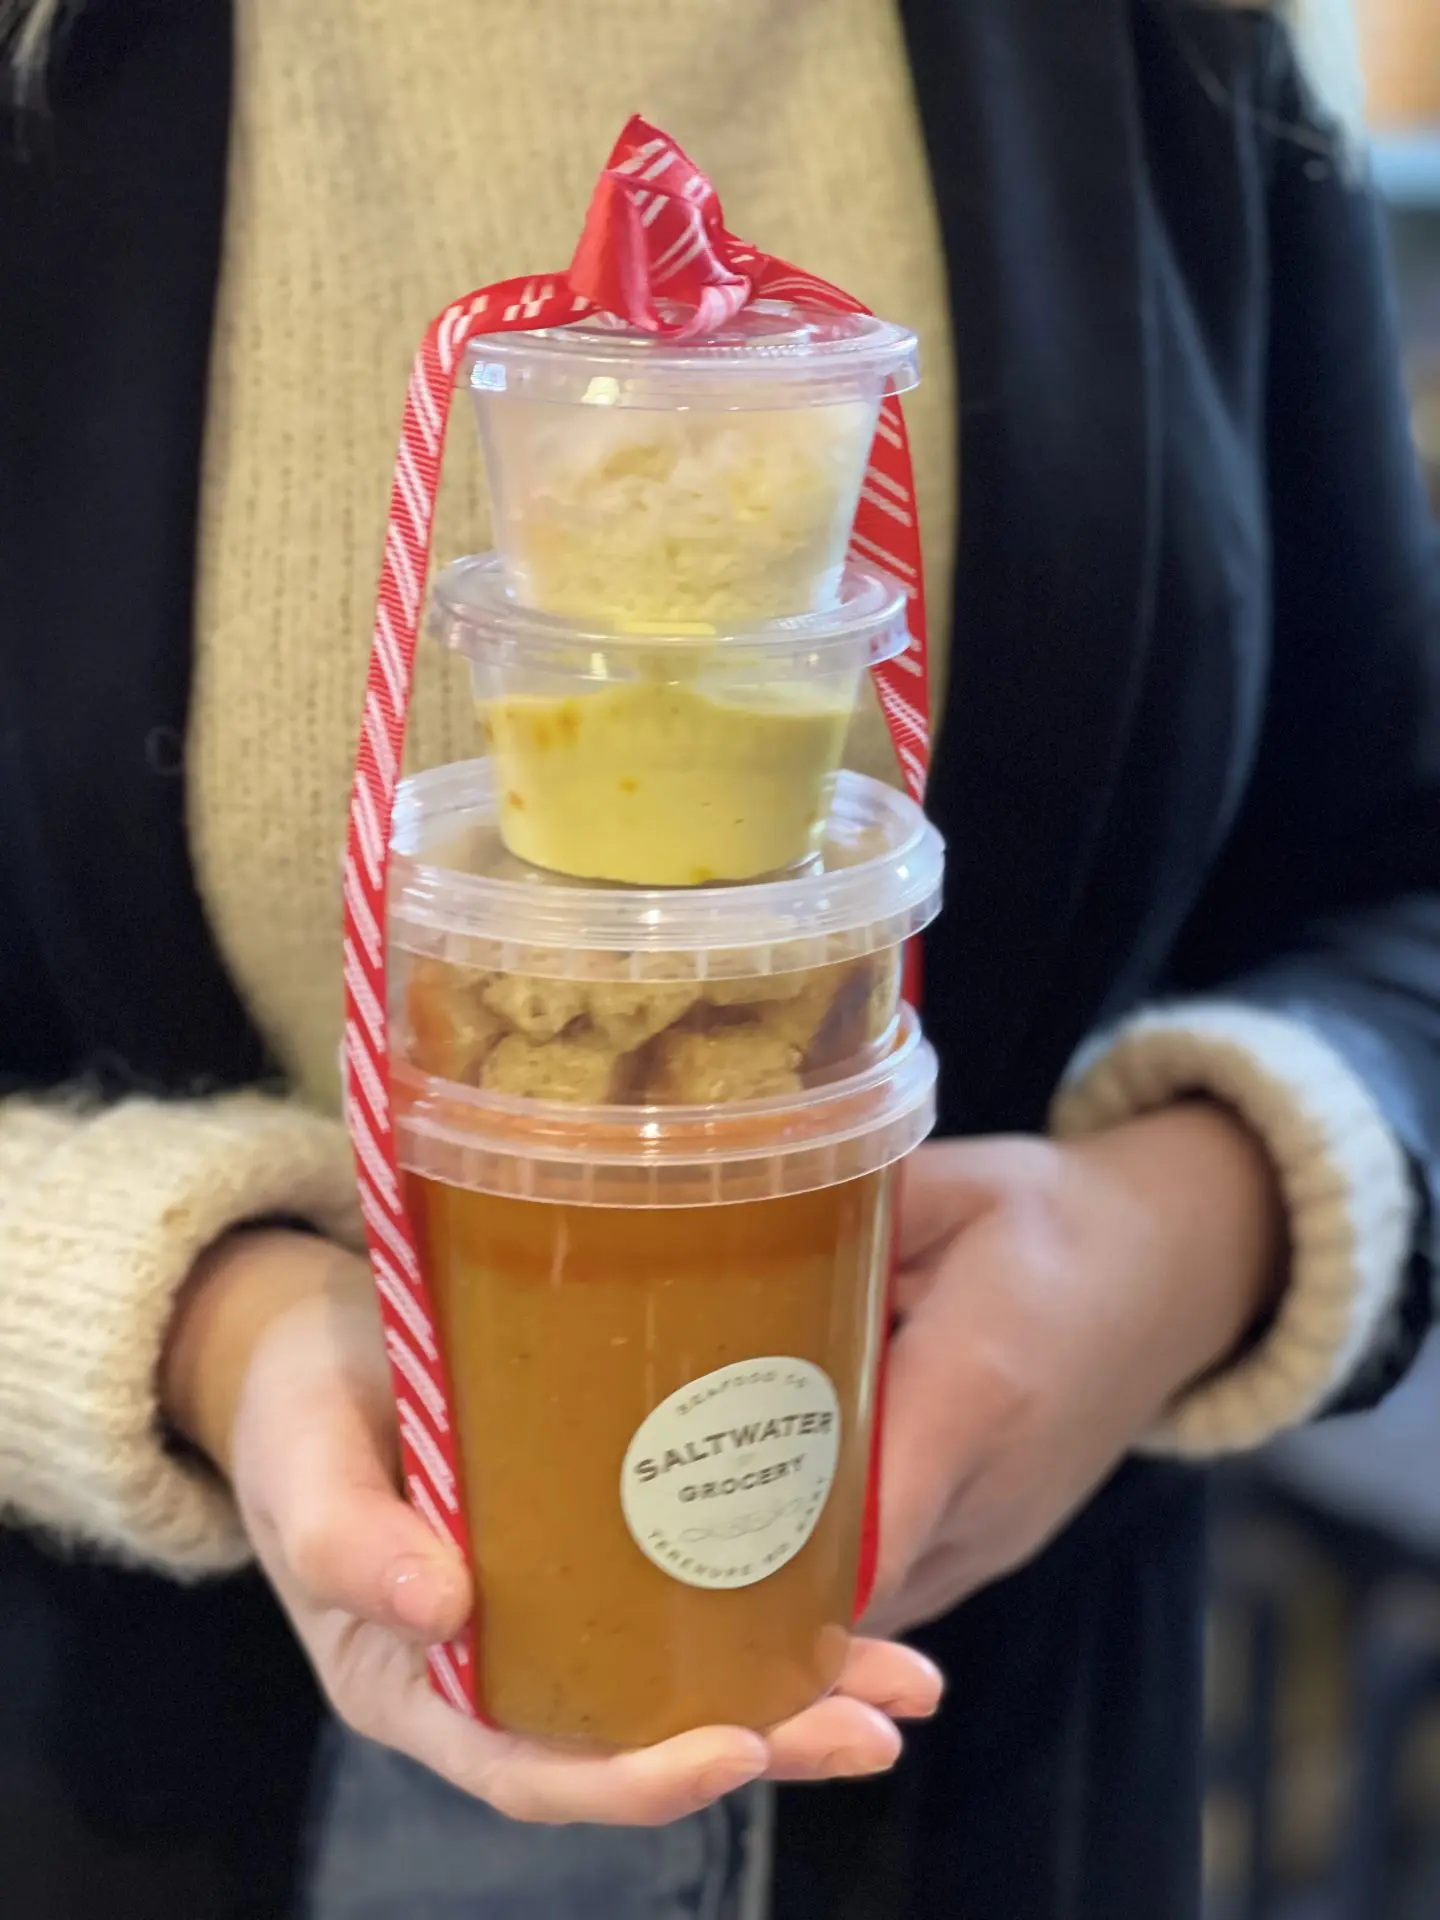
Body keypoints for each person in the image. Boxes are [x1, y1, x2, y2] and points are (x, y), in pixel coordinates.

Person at [1, 0, 1436, 1915]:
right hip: (118, 1784)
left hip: (987, 1785)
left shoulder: (1172, 48)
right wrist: (194, 1321)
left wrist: (1181, 1236)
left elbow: (1397, 879)